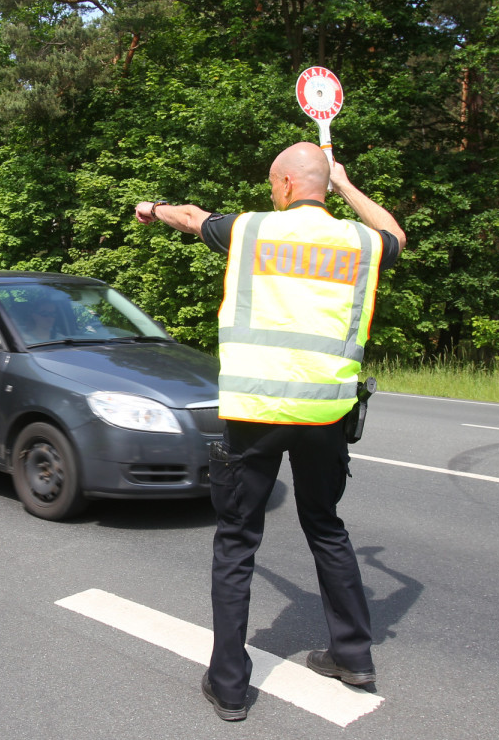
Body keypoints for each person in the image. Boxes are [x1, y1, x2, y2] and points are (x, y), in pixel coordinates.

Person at [134, 142, 406, 722]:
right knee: (325, 527)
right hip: (325, 415)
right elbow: (396, 234)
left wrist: (152, 208)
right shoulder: (360, 242)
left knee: (237, 542)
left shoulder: (253, 229)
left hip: (256, 412)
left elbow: (191, 216)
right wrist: (346, 185)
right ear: (323, 185)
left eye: (271, 181)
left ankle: (230, 685)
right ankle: (353, 656)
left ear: (284, 184)